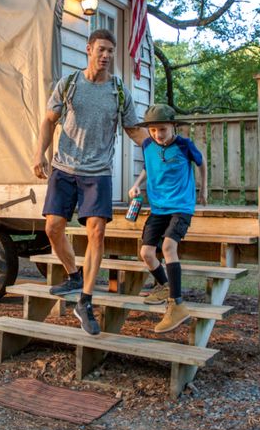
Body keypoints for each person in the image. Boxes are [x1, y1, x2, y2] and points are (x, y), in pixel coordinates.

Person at [32, 28, 147, 335]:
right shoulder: (69, 84)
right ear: (89, 50)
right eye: (102, 50)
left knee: (96, 233)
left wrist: (155, 146)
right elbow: (48, 120)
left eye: (111, 50)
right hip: (64, 168)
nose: (107, 55)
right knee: (53, 227)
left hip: (98, 172)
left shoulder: (119, 91)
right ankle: (73, 274)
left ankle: (85, 300)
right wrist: (39, 153)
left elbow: (134, 128)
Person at [127, 103, 207, 333]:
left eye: (162, 129)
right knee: (146, 252)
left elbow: (201, 164)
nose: (157, 134)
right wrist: (136, 184)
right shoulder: (148, 145)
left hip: (181, 206)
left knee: (169, 247)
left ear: (173, 126)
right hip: (158, 207)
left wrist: (203, 190)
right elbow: (148, 167)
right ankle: (163, 285)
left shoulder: (184, 145)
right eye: (153, 130)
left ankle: (177, 304)